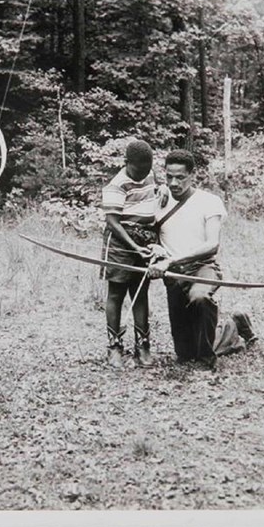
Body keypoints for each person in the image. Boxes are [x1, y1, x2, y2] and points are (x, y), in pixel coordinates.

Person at [148, 149, 256, 369]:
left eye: (180, 177)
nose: (174, 182)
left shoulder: (209, 201)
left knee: (200, 297)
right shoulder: (159, 201)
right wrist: (155, 257)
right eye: (169, 177)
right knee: (185, 353)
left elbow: (211, 244)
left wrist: (173, 259)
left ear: (192, 176)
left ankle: (207, 362)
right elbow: (148, 237)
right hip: (174, 276)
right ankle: (234, 325)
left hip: (203, 268)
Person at [101, 140, 159, 368]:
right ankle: (114, 346)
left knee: (140, 292)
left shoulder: (149, 174)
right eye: (138, 170)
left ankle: (143, 346)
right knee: (116, 293)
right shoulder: (117, 184)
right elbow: (113, 221)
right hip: (120, 242)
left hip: (144, 242)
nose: (142, 174)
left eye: (147, 169)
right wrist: (133, 246)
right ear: (127, 163)